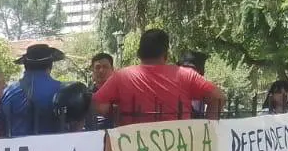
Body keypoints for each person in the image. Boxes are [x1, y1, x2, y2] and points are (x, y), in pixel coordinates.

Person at [93, 31, 224, 124]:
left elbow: (98, 106)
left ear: (139, 53)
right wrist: (209, 129)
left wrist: (116, 111)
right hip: (179, 148)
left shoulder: (122, 76)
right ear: (166, 54)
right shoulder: (186, 75)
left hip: (133, 149)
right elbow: (218, 97)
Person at [0, 44, 66, 137]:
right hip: (54, 145)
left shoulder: (8, 92)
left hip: (17, 146)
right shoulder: (62, 90)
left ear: (25, 66)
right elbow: (75, 128)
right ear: (50, 66)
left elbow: (0, 128)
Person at [86, 53, 116, 130]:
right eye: (97, 67)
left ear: (112, 69)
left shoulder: (120, 93)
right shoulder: (86, 95)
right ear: (92, 70)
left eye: (105, 67)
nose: (101, 70)